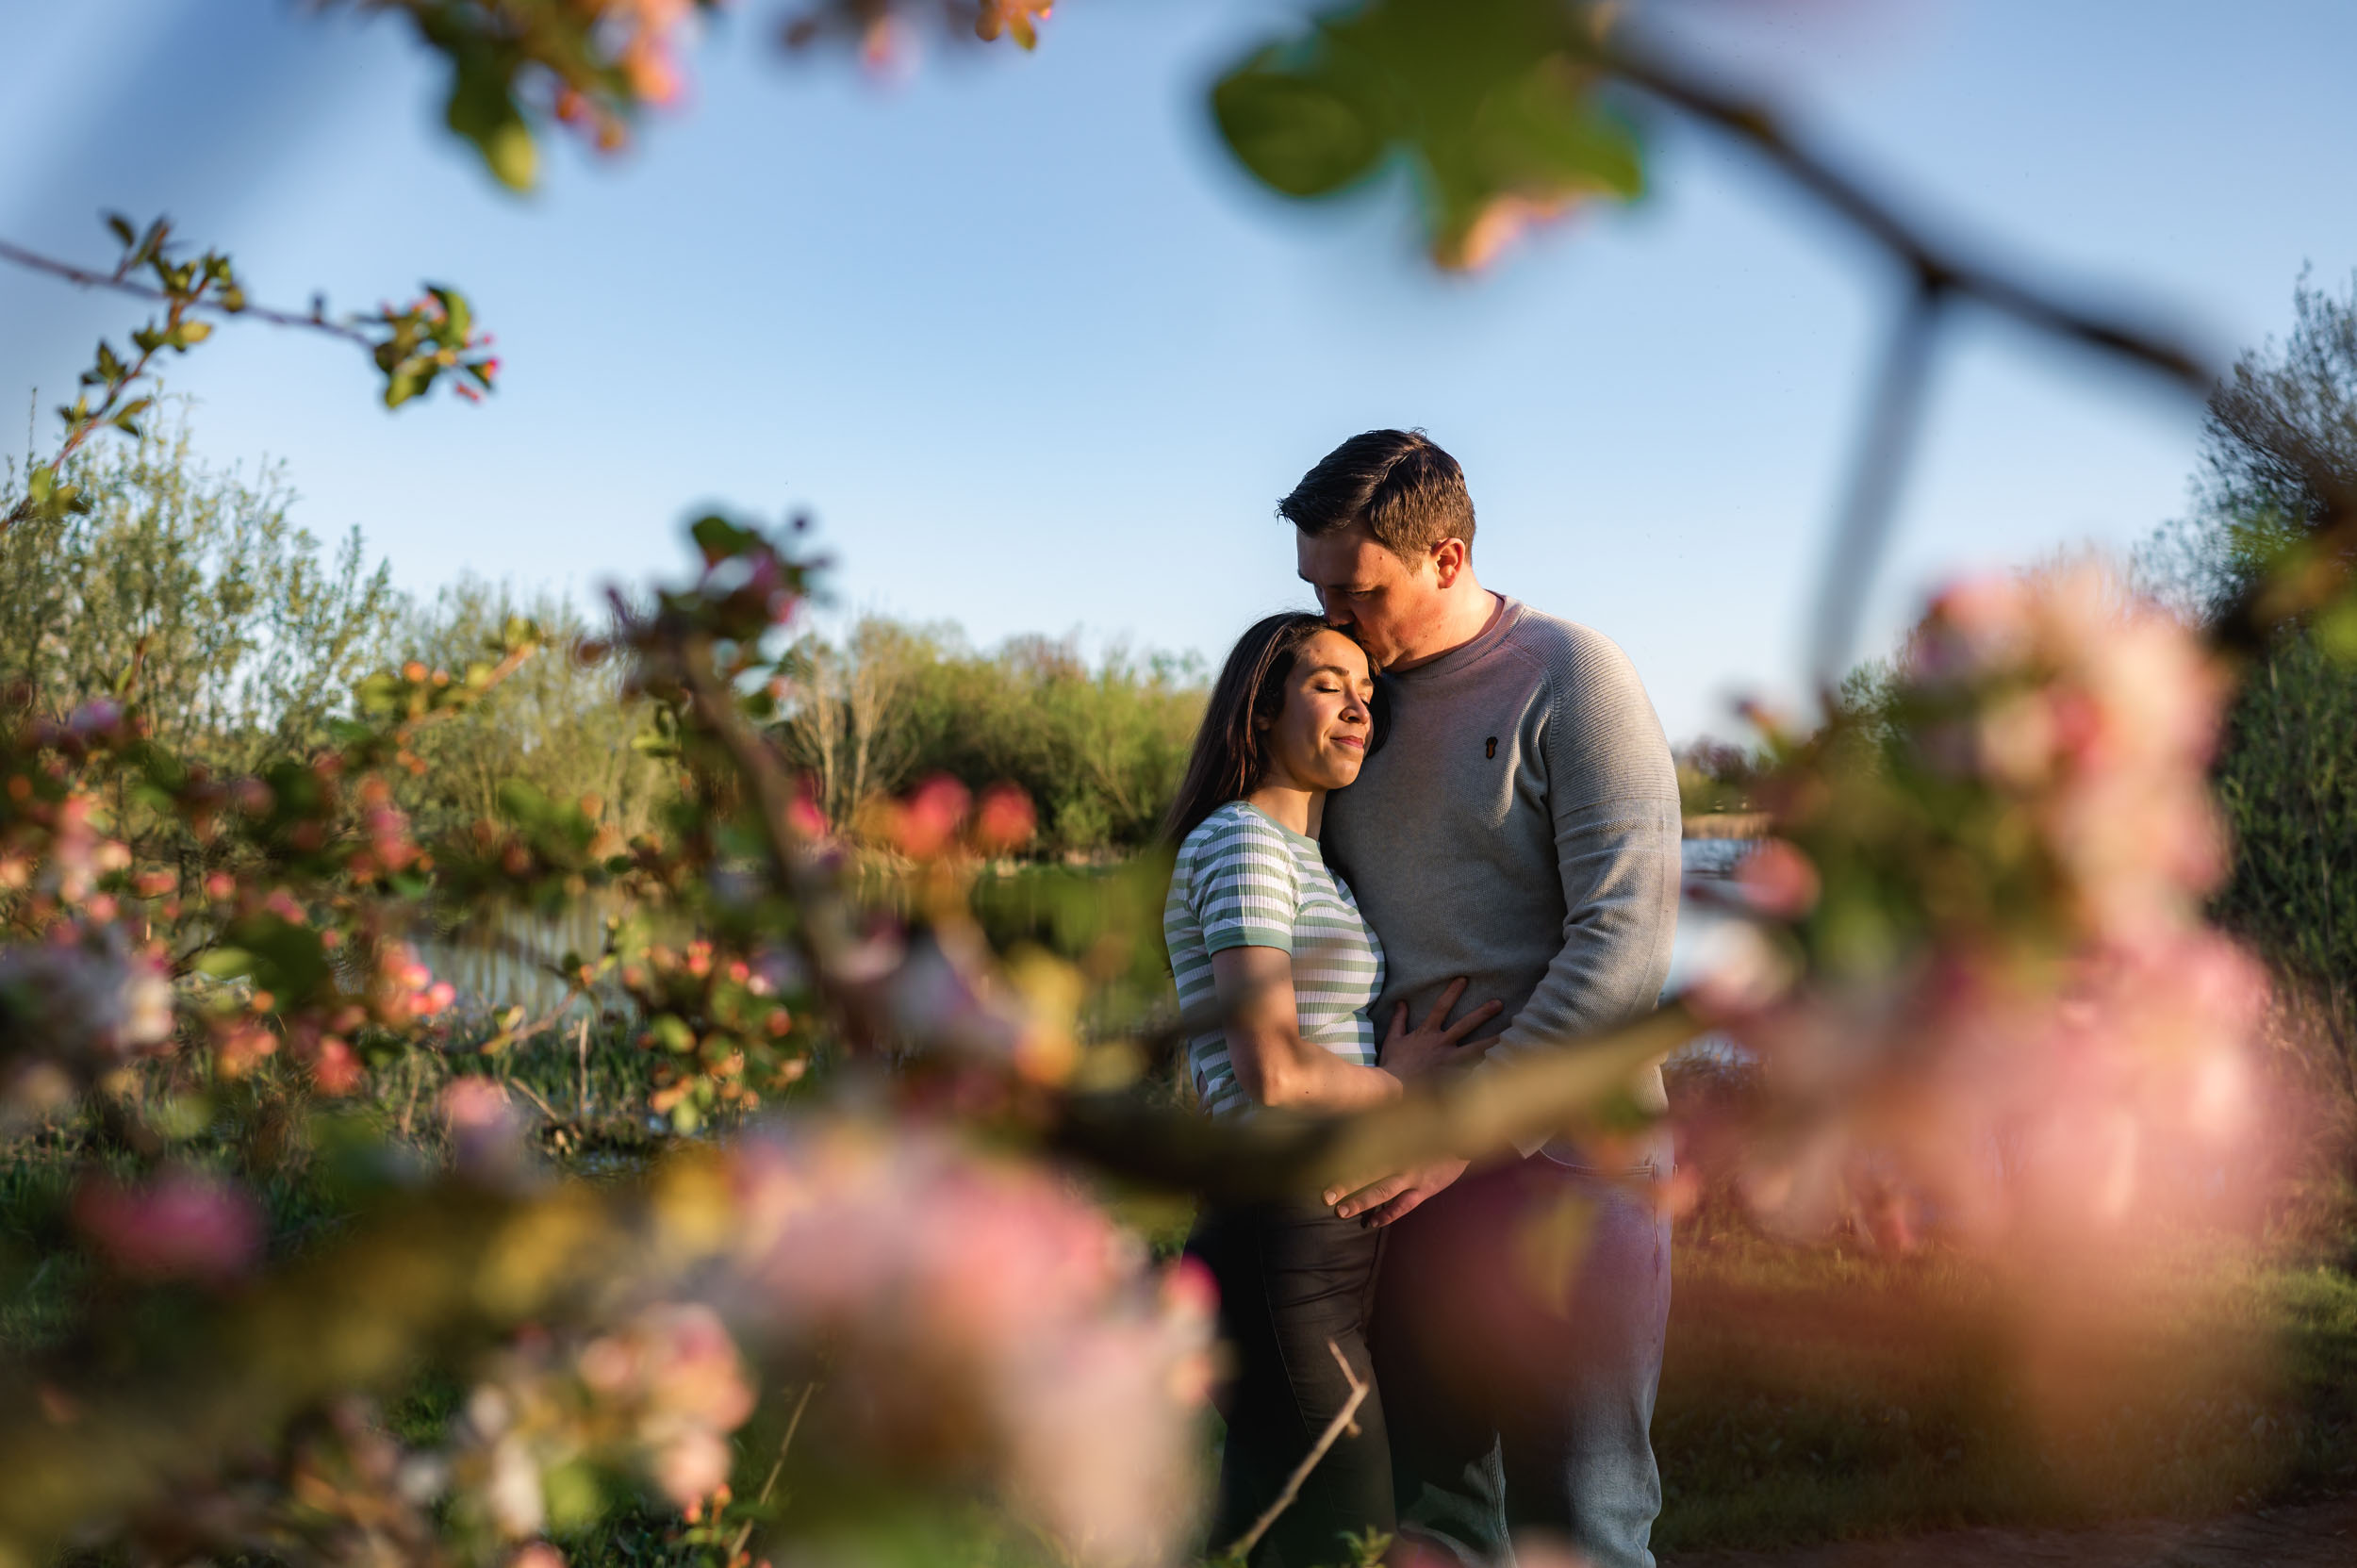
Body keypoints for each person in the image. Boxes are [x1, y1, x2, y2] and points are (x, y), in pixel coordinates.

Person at [1292, 430, 1683, 1568]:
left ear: (1447, 557)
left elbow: (1625, 944)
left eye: (1355, 590)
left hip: (1576, 1174)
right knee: (1436, 1522)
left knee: (1587, 1522)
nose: (1331, 615)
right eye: (1314, 588)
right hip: (1412, 1176)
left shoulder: (1573, 676)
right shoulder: (1355, 708)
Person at [1162, 610, 1503, 1568]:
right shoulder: (1244, 844)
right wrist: (1400, 1092)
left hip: (1319, 1240)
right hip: (1281, 1230)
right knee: (1349, 1530)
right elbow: (1269, 1067)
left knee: (1274, 1533)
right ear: (1261, 707)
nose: (1359, 706)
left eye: (1366, 691)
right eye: (1326, 684)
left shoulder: (1307, 858)